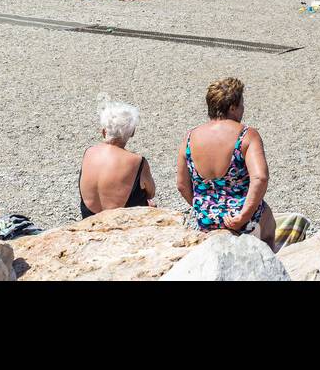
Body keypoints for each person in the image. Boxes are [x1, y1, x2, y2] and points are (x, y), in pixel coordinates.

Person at [175, 77, 277, 249]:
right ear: (232, 107)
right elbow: (260, 178)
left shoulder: (190, 137)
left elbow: (181, 185)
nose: (243, 108)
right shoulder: (247, 135)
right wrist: (243, 216)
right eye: (242, 104)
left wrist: (203, 208)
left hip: (206, 218)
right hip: (240, 218)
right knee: (269, 224)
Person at [79, 101, 156, 218]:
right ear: (132, 132)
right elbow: (151, 193)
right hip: (124, 225)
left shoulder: (88, 153)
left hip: (90, 221)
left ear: (104, 131)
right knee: (151, 205)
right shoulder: (137, 162)